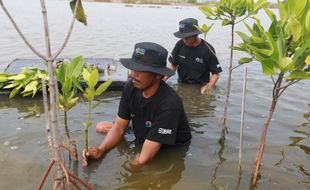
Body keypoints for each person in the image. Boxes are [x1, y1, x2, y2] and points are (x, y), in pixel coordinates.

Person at [82, 42, 192, 167]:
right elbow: (119, 126)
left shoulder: (169, 104)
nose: (133, 74)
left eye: (140, 70)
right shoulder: (131, 87)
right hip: (145, 128)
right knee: (100, 127)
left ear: (158, 75)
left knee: (137, 165)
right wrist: (100, 151)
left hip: (166, 145)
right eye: (133, 68)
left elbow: (143, 159)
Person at [165, 18, 222, 94]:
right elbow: (173, 66)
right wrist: (163, 79)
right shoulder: (180, 44)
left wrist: (209, 86)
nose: (184, 40)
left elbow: (215, 73)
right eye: (183, 37)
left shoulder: (208, 49)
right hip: (182, 85)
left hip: (200, 86)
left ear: (195, 34)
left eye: (187, 37)